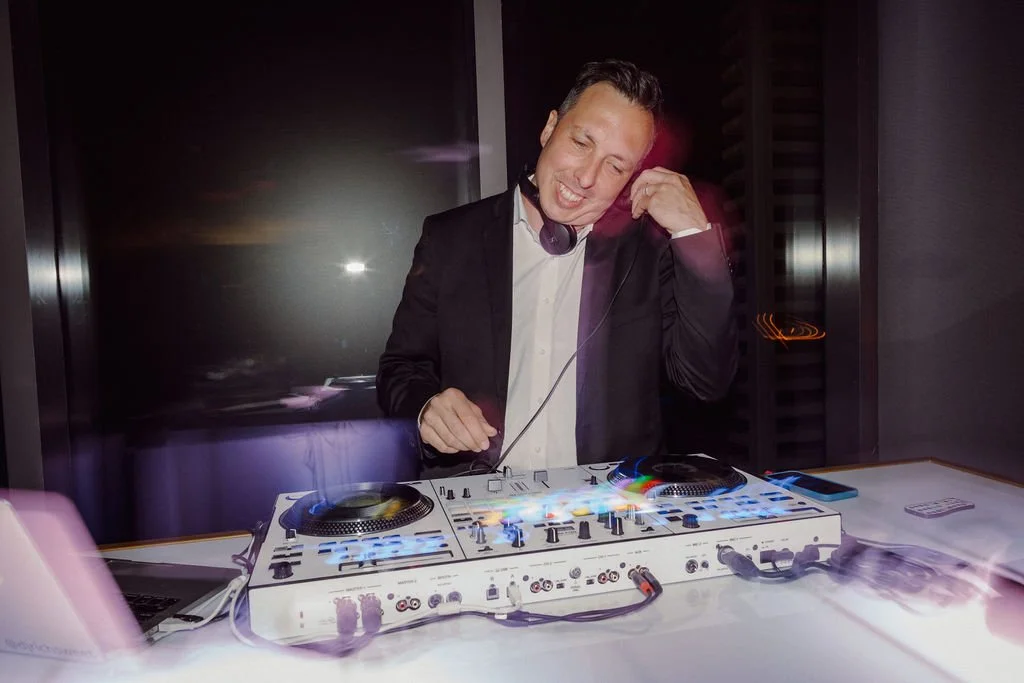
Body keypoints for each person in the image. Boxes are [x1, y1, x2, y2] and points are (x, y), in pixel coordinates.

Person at [377, 59, 737, 475]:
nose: (586, 177)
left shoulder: (649, 253)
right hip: (474, 507)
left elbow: (706, 382)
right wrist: (426, 408)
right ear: (550, 128)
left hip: (610, 508)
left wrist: (695, 234)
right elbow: (399, 368)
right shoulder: (450, 239)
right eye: (582, 143)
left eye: (615, 166)